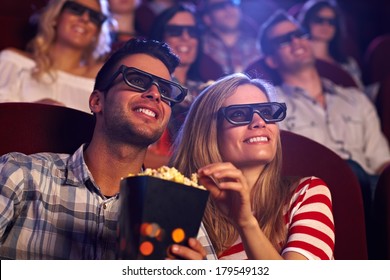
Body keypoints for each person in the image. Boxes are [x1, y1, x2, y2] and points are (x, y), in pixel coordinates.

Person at [0, 38, 214, 260]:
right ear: (96, 102)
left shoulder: (178, 210)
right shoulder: (21, 175)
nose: (155, 94)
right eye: (137, 80)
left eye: (166, 89)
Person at [258, 9, 390, 251]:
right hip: (313, 194)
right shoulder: (271, 105)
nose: (296, 41)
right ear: (271, 59)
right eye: (283, 40)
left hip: (371, 193)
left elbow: (381, 161)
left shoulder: (355, 98)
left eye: (299, 34)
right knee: (350, 171)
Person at [170, 73, 335, 260]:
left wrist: (246, 223)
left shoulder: (305, 194)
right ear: (207, 132)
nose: (260, 122)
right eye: (239, 114)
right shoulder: (177, 205)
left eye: (266, 112)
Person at [0, 0, 111, 113]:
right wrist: (32, 110)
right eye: (75, 9)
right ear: (56, 16)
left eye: (95, 16)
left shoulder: (100, 82)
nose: (85, 18)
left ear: (97, 31)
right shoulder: (13, 62)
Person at [146, 3, 221, 168]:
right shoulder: (146, 84)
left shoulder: (208, 89)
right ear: (160, 36)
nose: (185, 37)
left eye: (192, 32)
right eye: (175, 31)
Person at [297, 0, 379, 101]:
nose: (325, 25)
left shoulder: (347, 63)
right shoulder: (299, 61)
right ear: (307, 21)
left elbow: (360, 93)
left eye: (331, 22)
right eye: (319, 20)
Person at [198, 0, 260, 75]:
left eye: (232, 3)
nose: (228, 9)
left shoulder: (258, 44)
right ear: (207, 18)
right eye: (220, 6)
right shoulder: (199, 47)